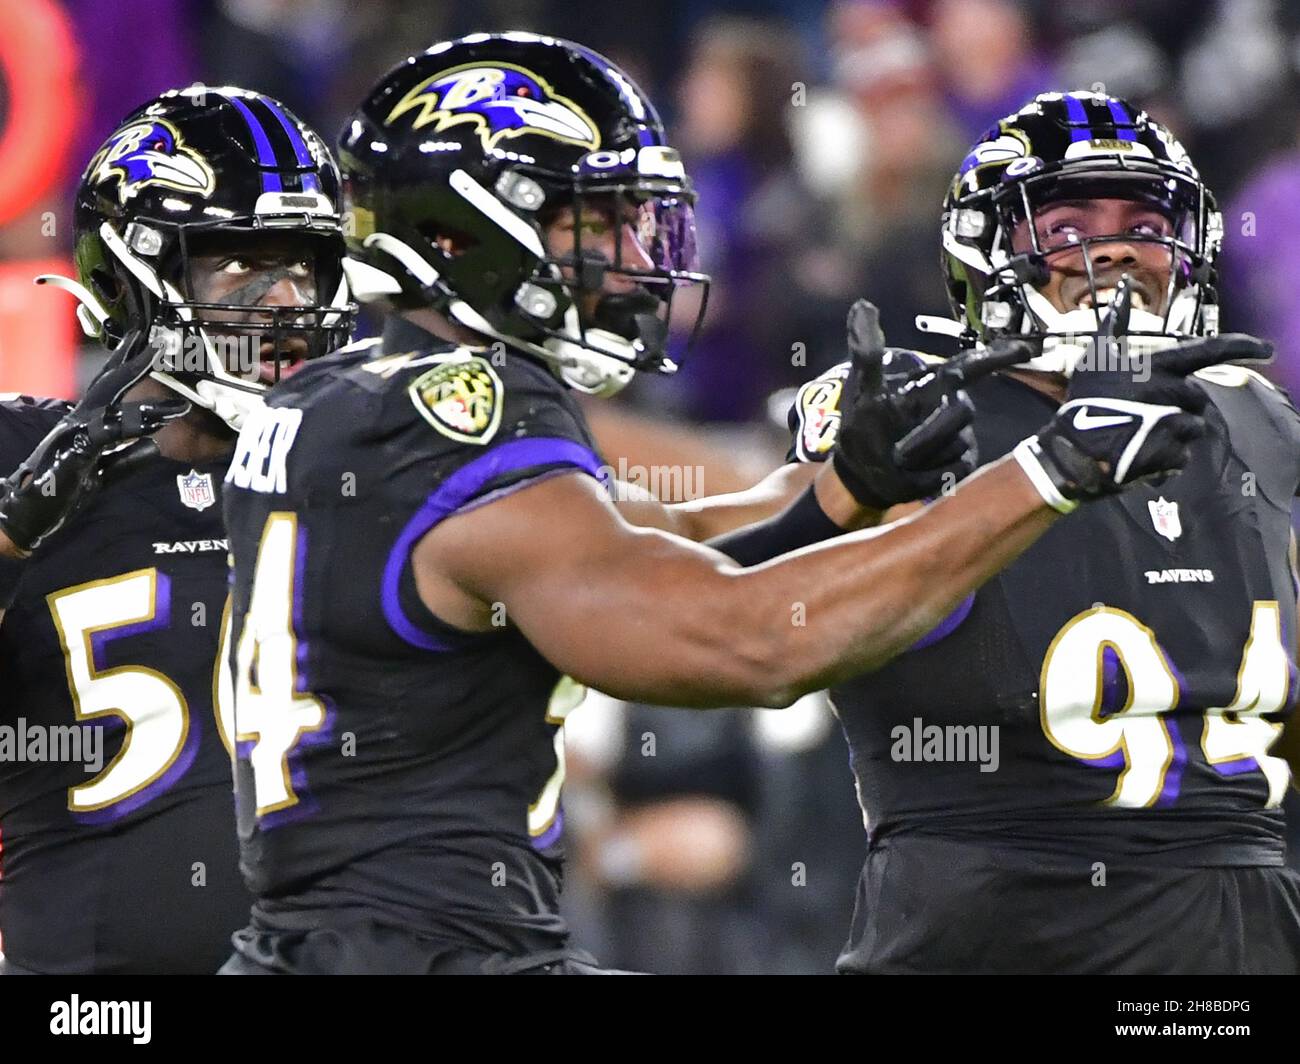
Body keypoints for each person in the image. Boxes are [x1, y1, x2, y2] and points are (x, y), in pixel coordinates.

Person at [220, 40, 1235, 975]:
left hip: (338, 942)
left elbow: (668, 544)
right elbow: (746, 640)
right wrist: (1050, 470)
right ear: (464, 228)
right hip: (418, 950)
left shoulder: (343, 396)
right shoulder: (459, 419)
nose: (632, 256)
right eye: (594, 221)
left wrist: (845, 486)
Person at [799, 91, 1300, 974]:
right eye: (1067, 227)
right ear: (988, 256)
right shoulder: (922, 413)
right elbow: (766, 595)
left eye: (1146, 222)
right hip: (1001, 925)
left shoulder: (1251, 418)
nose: (1114, 249)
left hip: (1241, 926)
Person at [0, 85, 354, 974]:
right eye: (241, 267)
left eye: (303, 267)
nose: (284, 301)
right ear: (138, 273)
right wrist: (18, 522)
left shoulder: (353, 470)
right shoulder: (17, 449)